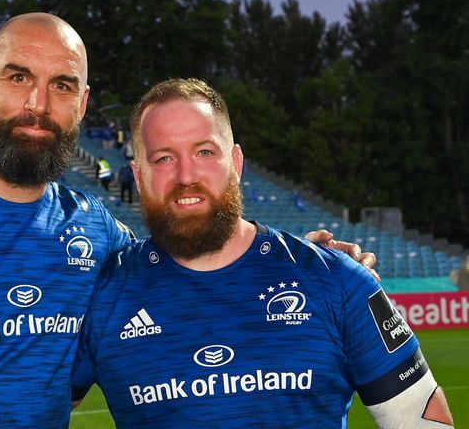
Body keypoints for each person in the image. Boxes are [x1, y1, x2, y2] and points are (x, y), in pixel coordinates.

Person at [0, 14, 373, 429]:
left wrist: (305, 255)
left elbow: (196, 266)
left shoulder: (98, 232)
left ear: (82, 104)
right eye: (17, 78)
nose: (37, 105)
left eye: (62, 85)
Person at [71, 78, 453, 428]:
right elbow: (26, 406)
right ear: (139, 176)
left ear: (236, 164)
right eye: (164, 158)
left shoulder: (337, 279)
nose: (186, 176)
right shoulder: (104, 297)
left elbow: (422, 419)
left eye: (204, 152)